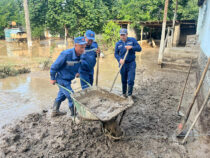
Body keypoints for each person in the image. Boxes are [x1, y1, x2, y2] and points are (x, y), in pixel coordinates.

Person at [50, 37, 87, 117]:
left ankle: (55, 111)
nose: (83, 49)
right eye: (81, 47)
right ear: (75, 46)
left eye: (84, 47)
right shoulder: (66, 54)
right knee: (72, 96)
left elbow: (79, 65)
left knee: (62, 94)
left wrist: (78, 72)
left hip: (69, 79)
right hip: (62, 79)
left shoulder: (81, 55)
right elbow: (54, 67)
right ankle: (73, 116)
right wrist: (52, 78)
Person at [114, 28, 141, 99]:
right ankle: (123, 94)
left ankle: (129, 95)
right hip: (122, 64)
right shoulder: (118, 44)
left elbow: (139, 48)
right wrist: (119, 59)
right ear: (120, 35)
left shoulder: (132, 40)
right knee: (123, 80)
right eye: (121, 35)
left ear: (127, 35)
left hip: (131, 63)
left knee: (131, 80)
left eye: (124, 35)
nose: (123, 36)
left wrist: (132, 47)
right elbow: (116, 54)